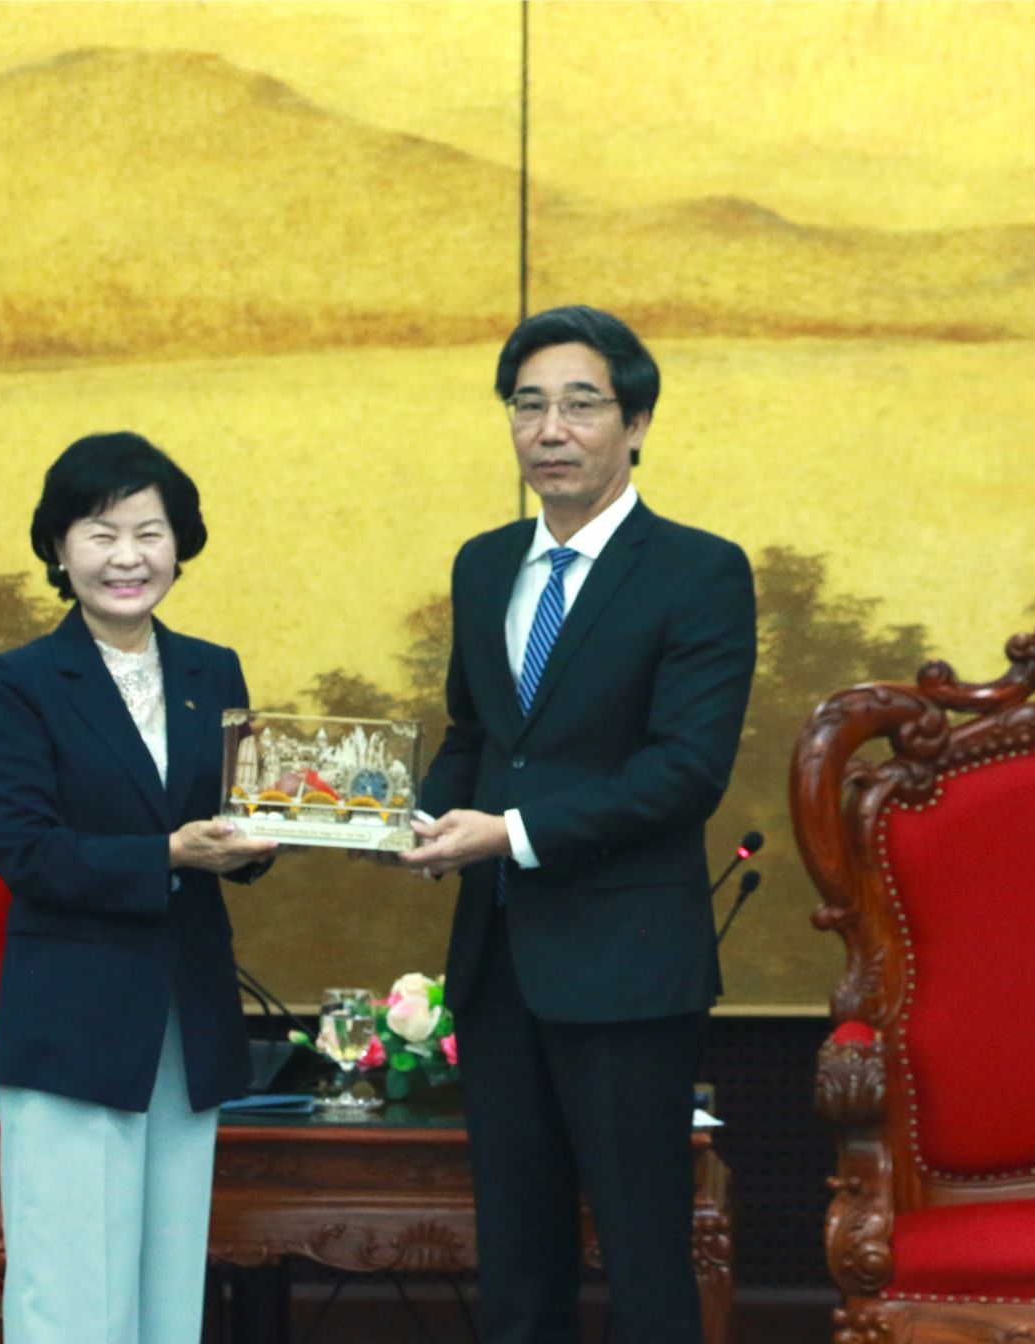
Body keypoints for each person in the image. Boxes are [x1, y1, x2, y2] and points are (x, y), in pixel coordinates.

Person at [402, 306, 757, 1343]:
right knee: (516, 1265)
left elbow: (683, 771)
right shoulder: (482, 564)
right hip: (497, 961)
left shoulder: (697, 571)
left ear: (635, 422)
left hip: (625, 967)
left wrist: (505, 833)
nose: (548, 430)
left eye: (579, 405)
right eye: (527, 406)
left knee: (645, 1261)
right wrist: (416, 818)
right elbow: (476, 736)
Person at [0, 432, 277, 1344]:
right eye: (101, 533)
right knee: (71, 1294)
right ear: (59, 549)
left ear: (180, 545)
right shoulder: (21, 682)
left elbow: (241, 817)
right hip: (74, 1020)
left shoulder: (209, 670)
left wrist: (281, 833)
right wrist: (168, 855)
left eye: (150, 532)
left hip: (188, 1014)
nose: (128, 557)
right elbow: (25, 850)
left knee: (167, 1289)